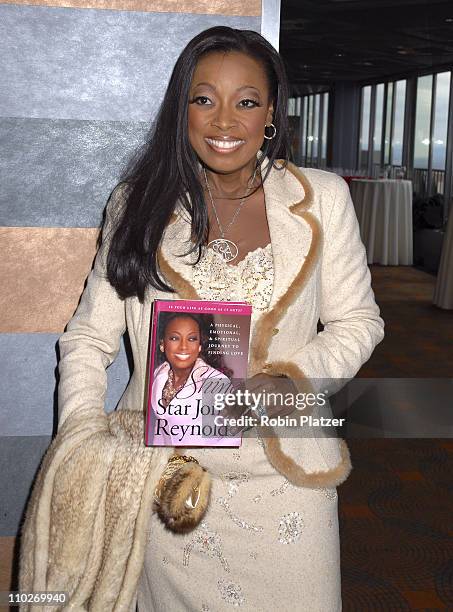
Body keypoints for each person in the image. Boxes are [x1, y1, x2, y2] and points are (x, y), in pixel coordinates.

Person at [19, 26, 384, 611]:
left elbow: (359, 322)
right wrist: (86, 440)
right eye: (204, 99)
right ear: (181, 109)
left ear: (270, 113)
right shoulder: (137, 202)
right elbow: (88, 338)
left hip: (285, 484)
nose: (223, 121)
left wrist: (291, 377)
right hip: (170, 485)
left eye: (245, 102)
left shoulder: (323, 197)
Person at [149, 313, 235, 446]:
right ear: (162, 344)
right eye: (174, 338)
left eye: (192, 339)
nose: (183, 346)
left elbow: (232, 437)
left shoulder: (216, 381)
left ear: (199, 346)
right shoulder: (159, 373)